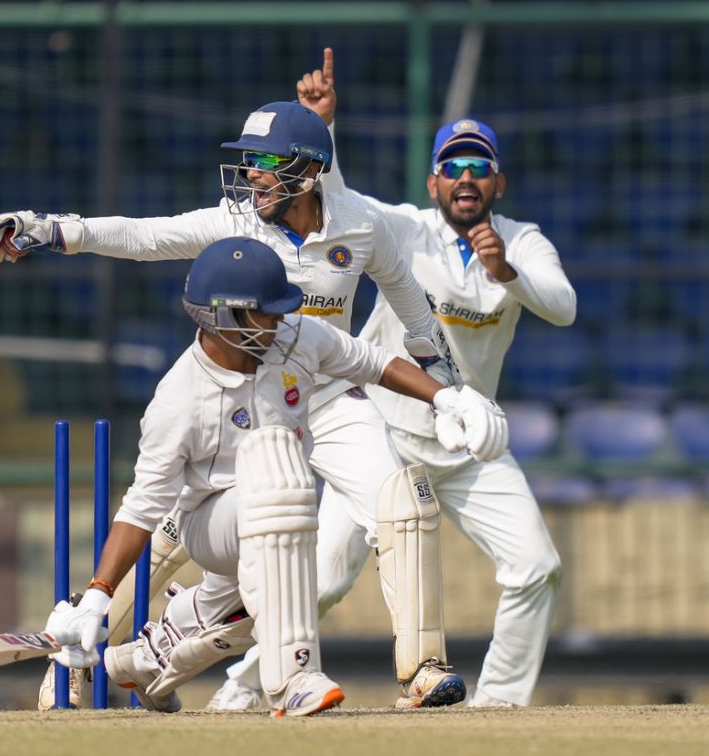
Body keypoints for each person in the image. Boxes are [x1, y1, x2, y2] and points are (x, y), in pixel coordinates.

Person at [0, 99, 496, 709]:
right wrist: (52, 230)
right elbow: (144, 236)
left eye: (266, 162)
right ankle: (76, 660)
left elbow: (411, 313)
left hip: (327, 393)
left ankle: (422, 668)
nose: (251, 175)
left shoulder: (361, 225)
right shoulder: (235, 224)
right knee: (171, 528)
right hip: (243, 396)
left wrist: (451, 394)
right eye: (248, 162)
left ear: (308, 172)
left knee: (403, 500)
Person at [210, 51, 576, 710]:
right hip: (386, 436)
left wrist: (507, 273)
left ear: (499, 181)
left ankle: (496, 705)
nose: (466, 178)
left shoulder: (521, 241)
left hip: (465, 444)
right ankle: (239, 691)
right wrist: (324, 130)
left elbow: (564, 304)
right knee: (318, 582)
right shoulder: (404, 228)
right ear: (434, 183)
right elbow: (338, 206)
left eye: (479, 168)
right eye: (453, 168)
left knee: (537, 566)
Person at [40, 237, 509, 716]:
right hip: (208, 521)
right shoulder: (179, 399)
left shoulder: (295, 338)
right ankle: (292, 679)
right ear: (225, 317)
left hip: (276, 515)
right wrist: (98, 595)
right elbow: (142, 508)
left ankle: (141, 661)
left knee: (257, 599)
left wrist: (446, 399)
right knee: (278, 478)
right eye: (266, 313)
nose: (279, 321)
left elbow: (374, 363)